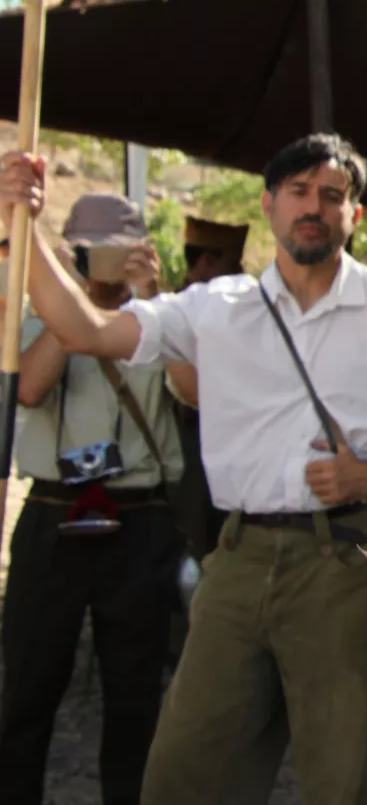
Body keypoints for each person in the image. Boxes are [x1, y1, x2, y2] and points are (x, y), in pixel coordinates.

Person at [0, 132, 367, 805]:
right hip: (236, 556)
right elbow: (85, 330)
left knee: (336, 780)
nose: (314, 206)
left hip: (343, 562)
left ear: (356, 215)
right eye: (299, 192)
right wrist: (17, 216)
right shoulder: (216, 307)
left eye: (332, 196)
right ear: (269, 204)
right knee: (184, 774)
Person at [0, 193, 184, 805]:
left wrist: (152, 299)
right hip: (54, 515)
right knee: (26, 687)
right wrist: (73, 308)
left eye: (114, 251)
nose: (102, 264)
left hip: (139, 520)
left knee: (135, 696)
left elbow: (196, 395)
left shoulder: (166, 322)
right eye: (89, 251)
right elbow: (29, 388)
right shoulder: (36, 322)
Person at [168, 215, 249, 558]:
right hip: (187, 451)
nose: (242, 273)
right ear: (207, 261)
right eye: (234, 265)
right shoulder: (171, 313)